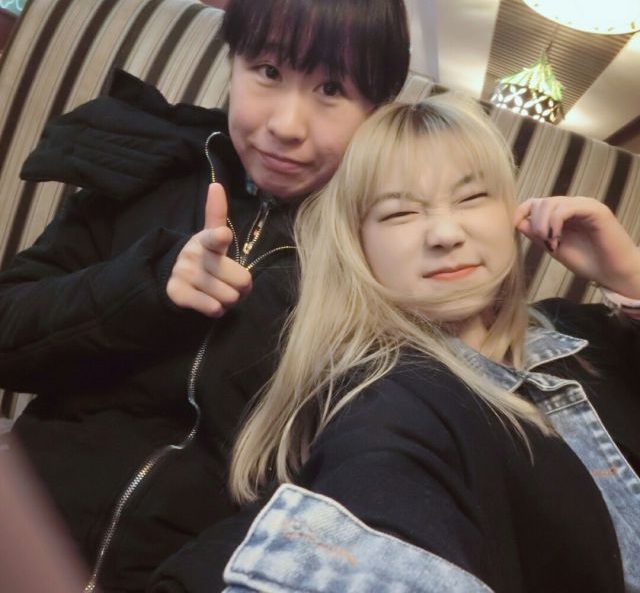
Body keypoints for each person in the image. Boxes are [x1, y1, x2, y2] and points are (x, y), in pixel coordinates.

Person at [0, 0, 410, 591]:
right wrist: (146, 285)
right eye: (268, 71)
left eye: (332, 89)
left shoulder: (378, 250)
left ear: (377, 110)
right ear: (233, 62)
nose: (286, 126)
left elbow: (348, 472)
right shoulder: (145, 167)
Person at [163, 95, 640, 592]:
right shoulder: (395, 403)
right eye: (399, 214)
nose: (445, 233)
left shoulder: (591, 331)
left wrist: (630, 276)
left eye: (472, 197)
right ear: (359, 244)